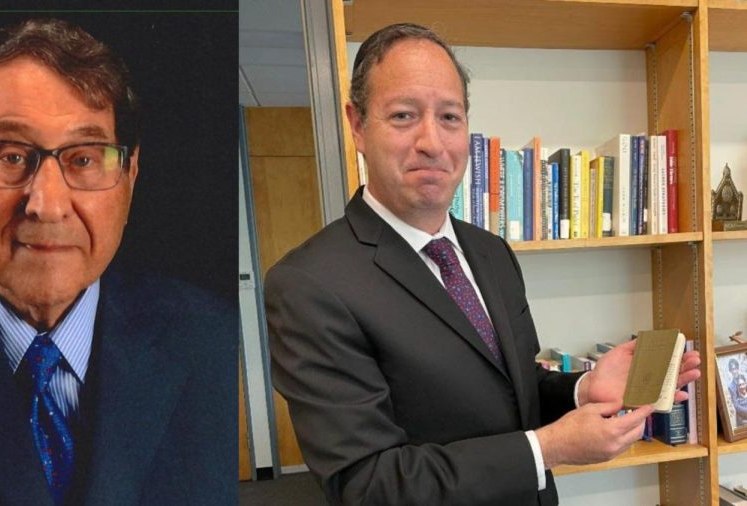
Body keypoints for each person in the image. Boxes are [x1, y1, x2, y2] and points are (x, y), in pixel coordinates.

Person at [264, 23, 701, 505]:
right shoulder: (308, 285)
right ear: (357, 126)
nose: (432, 141)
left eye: (450, 117)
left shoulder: (491, 252)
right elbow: (369, 484)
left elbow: (515, 390)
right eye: (404, 115)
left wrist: (584, 389)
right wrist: (548, 448)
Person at [0, 18, 234, 505]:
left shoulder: (215, 343)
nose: (47, 204)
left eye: (84, 159)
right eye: (10, 156)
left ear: (130, 176)